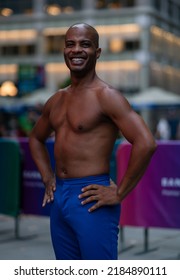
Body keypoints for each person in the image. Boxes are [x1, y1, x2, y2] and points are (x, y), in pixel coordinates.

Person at [29, 23, 157, 260]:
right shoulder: (56, 100)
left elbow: (146, 143)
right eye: (71, 44)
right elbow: (35, 139)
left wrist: (119, 192)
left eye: (85, 44)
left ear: (97, 53)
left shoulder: (106, 96)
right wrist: (47, 177)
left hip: (91, 195)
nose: (76, 50)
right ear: (64, 50)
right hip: (60, 196)